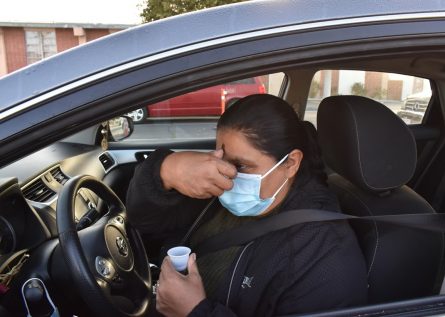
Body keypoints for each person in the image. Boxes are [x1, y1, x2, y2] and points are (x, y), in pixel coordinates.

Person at [126, 94, 367, 317]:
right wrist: (167, 170)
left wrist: (196, 312)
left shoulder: (323, 254)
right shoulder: (216, 188)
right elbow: (143, 222)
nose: (227, 174)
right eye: (219, 157)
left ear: (291, 163)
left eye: (241, 166)